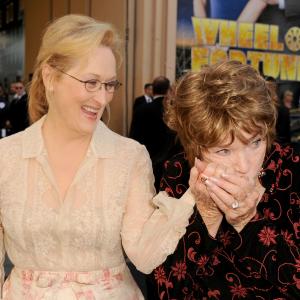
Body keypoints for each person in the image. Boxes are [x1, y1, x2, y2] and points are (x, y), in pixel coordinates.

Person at [0, 14, 205, 299]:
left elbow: (144, 257)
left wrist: (192, 197)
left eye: (109, 85)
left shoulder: (129, 157)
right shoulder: (5, 158)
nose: (102, 99)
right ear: (50, 76)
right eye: (91, 82)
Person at [147, 61, 299, 299]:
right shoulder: (178, 173)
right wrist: (206, 216)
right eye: (223, 151)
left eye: (255, 143)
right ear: (196, 148)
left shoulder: (291, 170)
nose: (243, 166)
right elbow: (165, 289)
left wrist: (248, 223)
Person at [130, 76, 180, 191]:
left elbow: (134, 137)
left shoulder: (141, 109)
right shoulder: (173, 111)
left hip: (146, 160)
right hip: (169, 163)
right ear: (168, 90)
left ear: (153, 90)